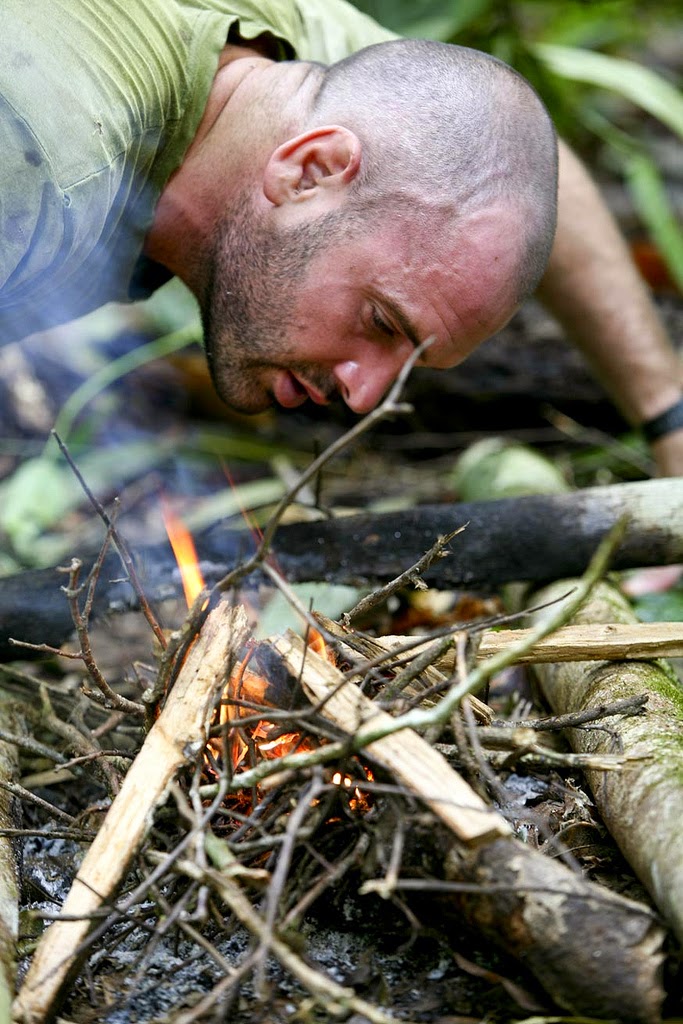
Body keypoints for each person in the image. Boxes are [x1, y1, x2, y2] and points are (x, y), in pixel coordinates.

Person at [2, 0, 682, 475]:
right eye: (382, 321)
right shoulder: (38, 177)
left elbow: (508, 163)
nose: (367, 397)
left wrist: (667, 416)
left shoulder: (287, 49)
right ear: (309, 170)